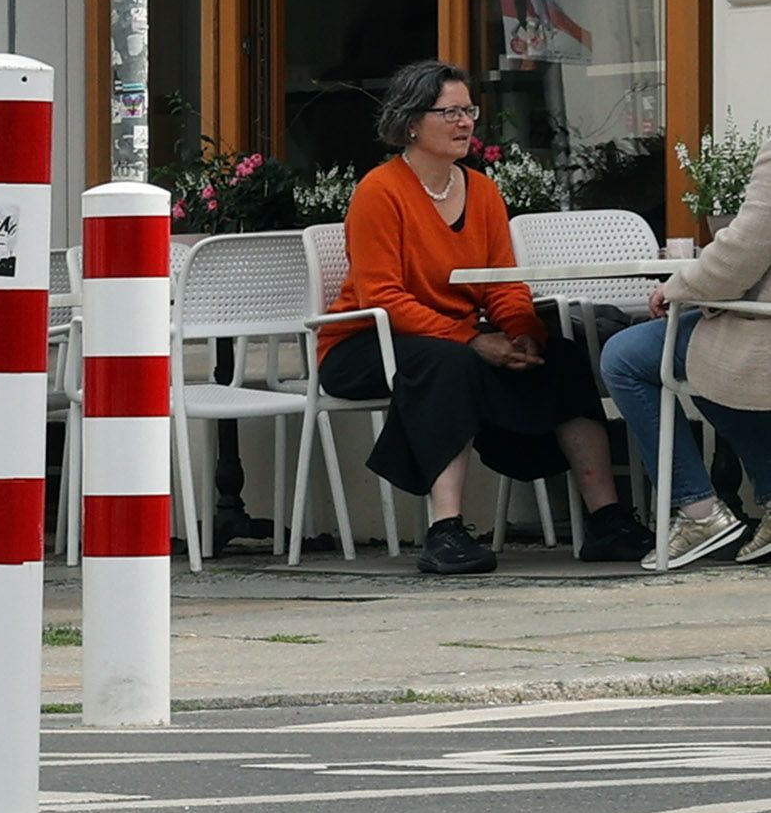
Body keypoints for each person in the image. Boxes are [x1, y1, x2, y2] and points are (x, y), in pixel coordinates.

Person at [320, 60, 634, 574]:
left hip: (451, 339)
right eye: (450, 112)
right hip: (364, 343)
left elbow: (502, 284)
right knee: (451, 363)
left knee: (564, 358)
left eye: (469, 110)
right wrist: (472, 341)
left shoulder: (482, 191)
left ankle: (608, 520)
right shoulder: (380, 191)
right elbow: (384, 297)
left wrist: (523, 334)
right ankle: (445, 532)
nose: (465, 122)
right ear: (411, 122)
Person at [602, 149, 771, 569]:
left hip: (762, 326)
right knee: (705, 353)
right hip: (755, 322)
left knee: (623, 356)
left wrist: (680, 286)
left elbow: (745, 249)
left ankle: (699, 513)